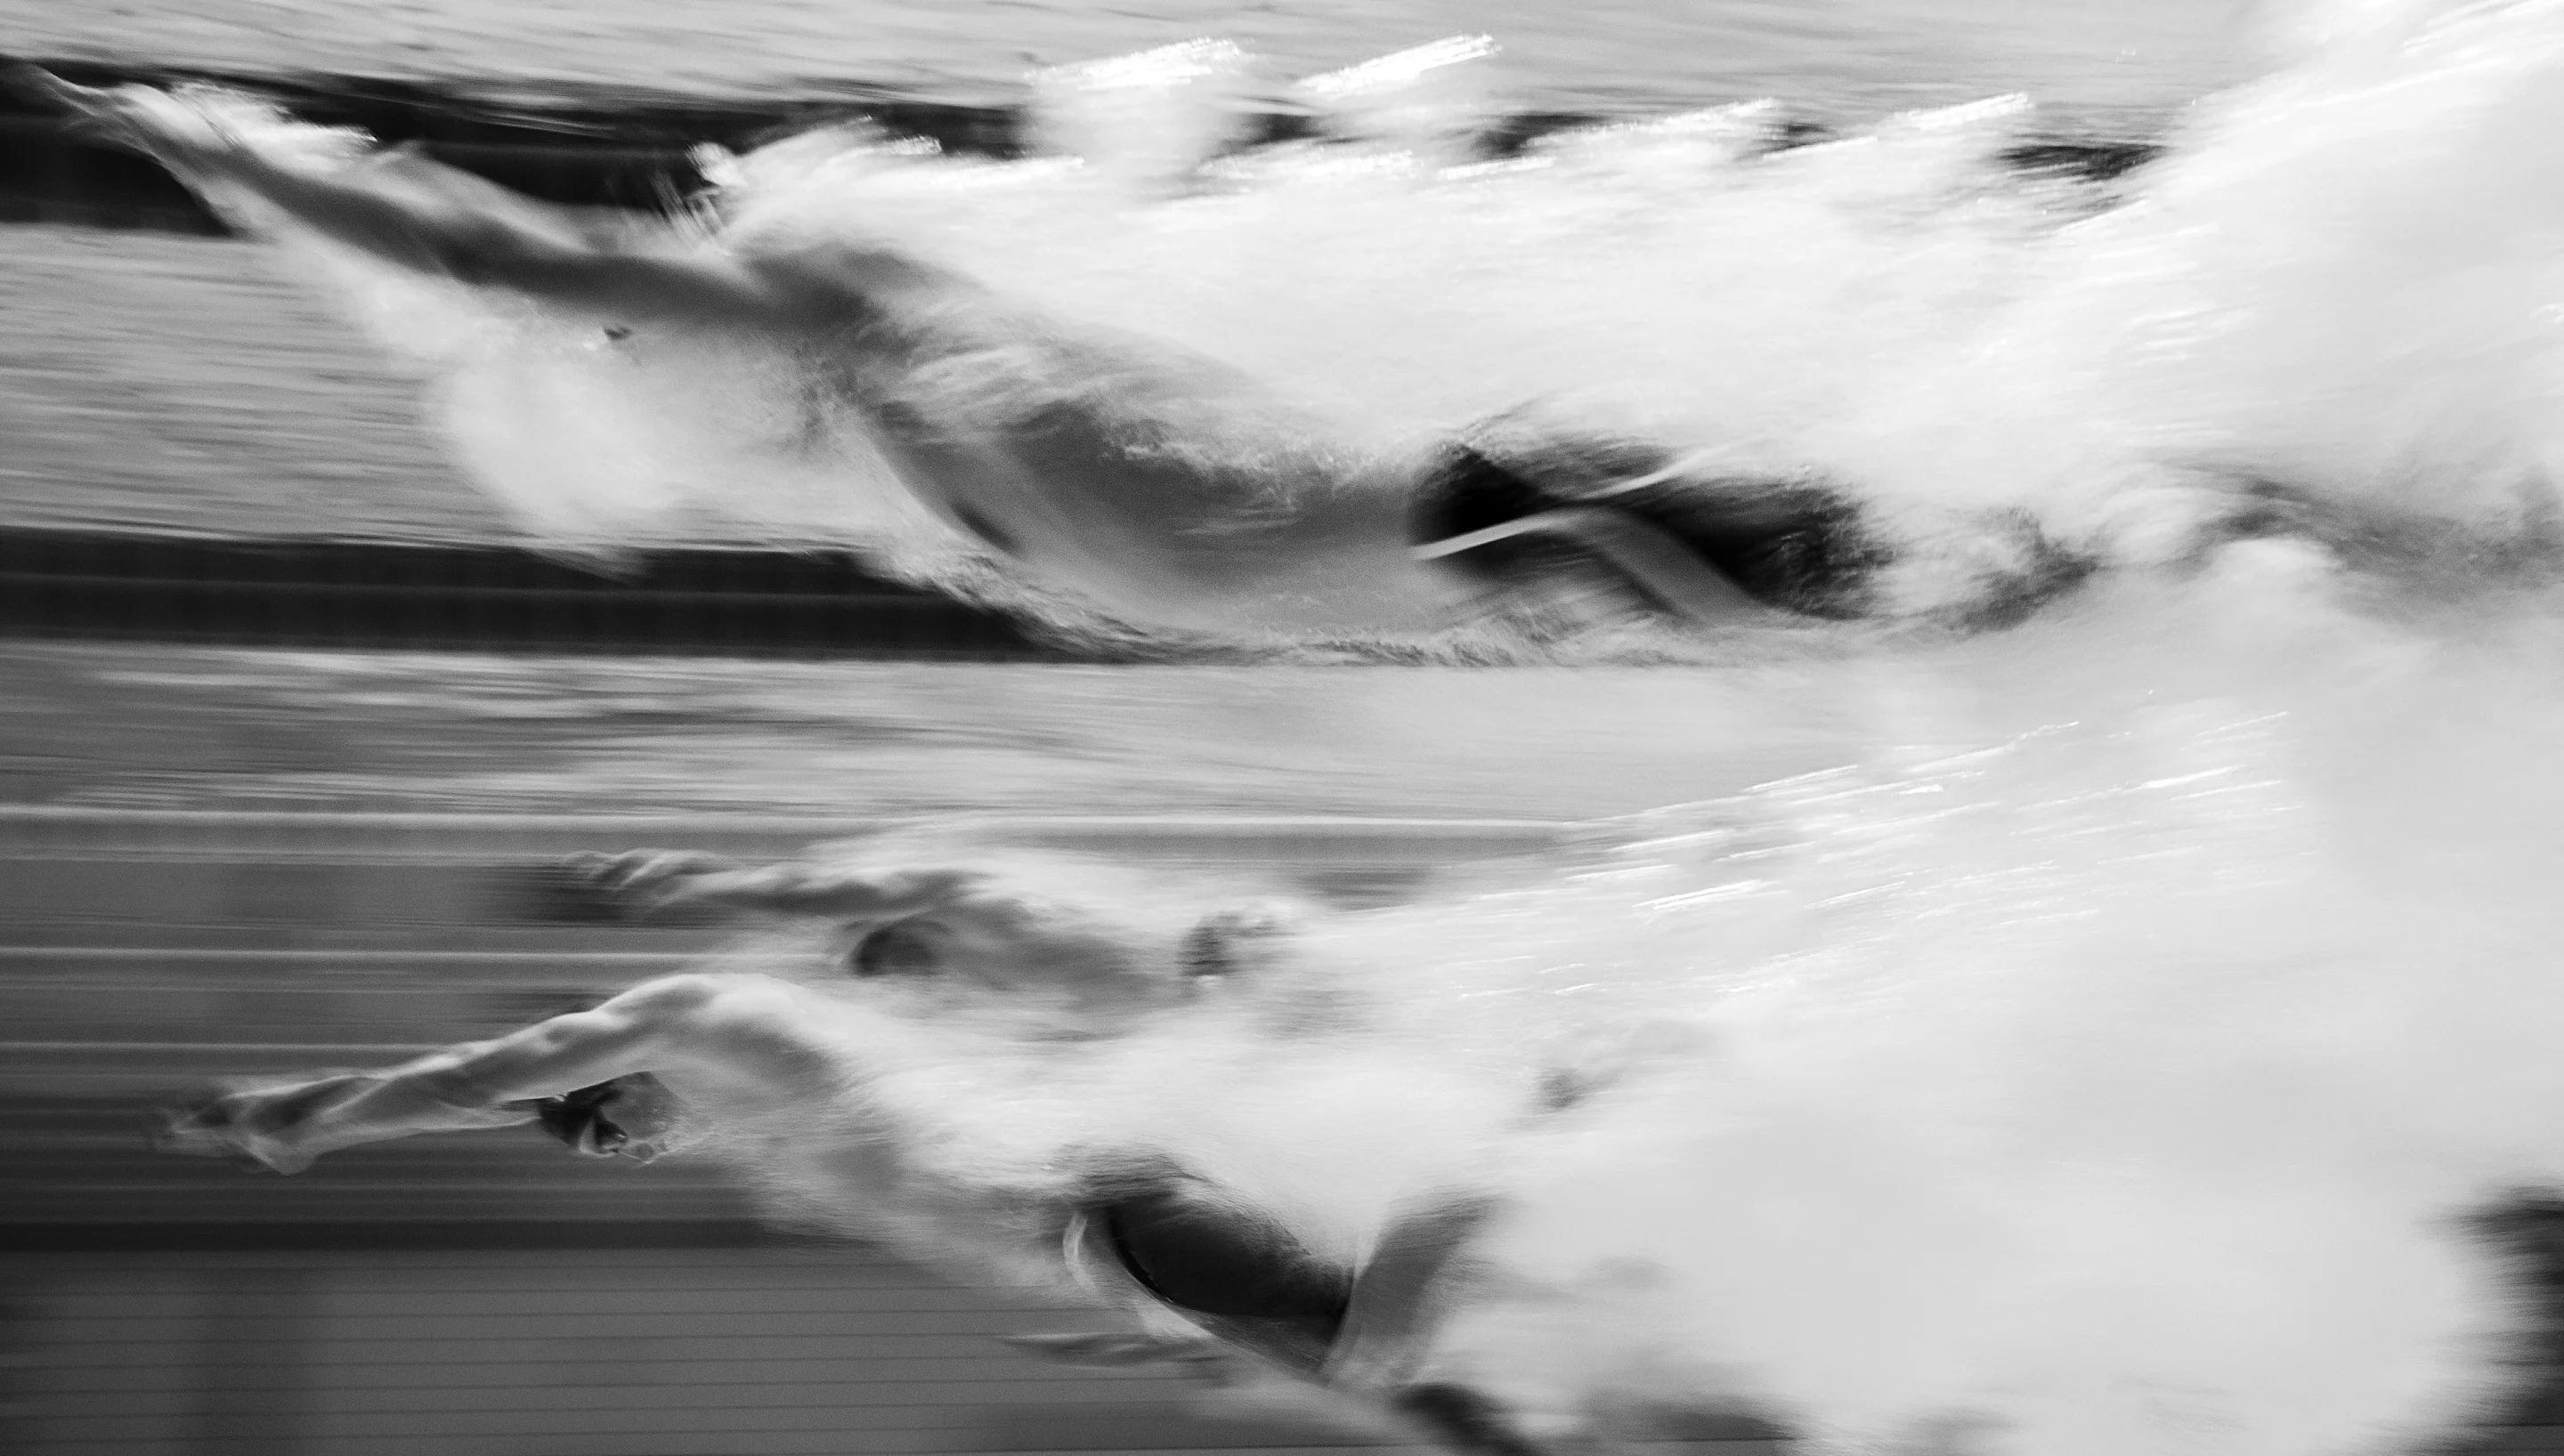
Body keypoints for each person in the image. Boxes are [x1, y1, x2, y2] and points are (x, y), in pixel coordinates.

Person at [30, 69, 1926, 642]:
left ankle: (1968, 564)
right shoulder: (867, 373)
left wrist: (219, 152)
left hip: (1290, 544)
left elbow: (462, 249)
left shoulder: (851, 380)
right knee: (1625, 530)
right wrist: (208, 149)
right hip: (1334, 526)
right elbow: (463, 253)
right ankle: (1975, 560)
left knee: (1626, 538)